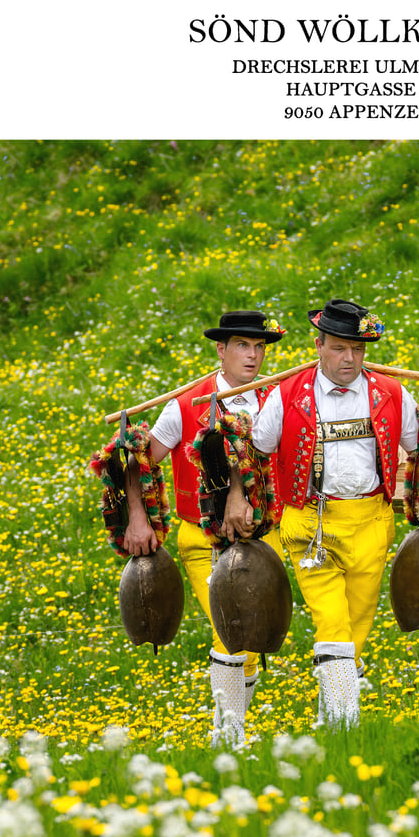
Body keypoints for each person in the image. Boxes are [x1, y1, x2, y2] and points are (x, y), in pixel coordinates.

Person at [224, 298, 419, 728]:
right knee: (332, 623)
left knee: (355, 631)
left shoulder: (390, 393)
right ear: (318, 345)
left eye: (358, 349)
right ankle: (347, 724)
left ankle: (330, 724)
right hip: (309, 525)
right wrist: (238, 496)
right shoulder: (287, 395)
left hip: (372, 524)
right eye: (338, 348)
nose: (349, 359)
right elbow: (250, 449)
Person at [123, 309, 286, 746]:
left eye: (259, 347)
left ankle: (229, 734)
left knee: (251, 638)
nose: (252, 356)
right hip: (203, 539)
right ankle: (229, 737)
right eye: (242, 346)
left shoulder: (274, 398)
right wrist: (138, 517)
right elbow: (140, 460)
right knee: (230, 629)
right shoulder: (184, 405)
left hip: (263, 539)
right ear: (220, 350)